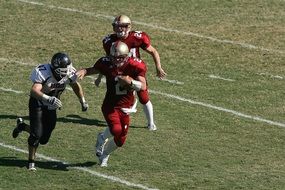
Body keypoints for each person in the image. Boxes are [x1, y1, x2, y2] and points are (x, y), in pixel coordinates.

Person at [12, 52, 89, 171]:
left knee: (43, 139)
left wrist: (82, 101)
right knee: (36, 135)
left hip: (52, 106)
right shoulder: (43, 71)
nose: (67, 72)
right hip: (38, 103)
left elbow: (75, 85)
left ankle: (22, 126)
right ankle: (31, 162)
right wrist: (48, 98)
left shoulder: (69, 72)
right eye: (63, 70)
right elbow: (34, 91)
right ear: (55, 69)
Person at [76, 41, 147, 167]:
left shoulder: (135, 65)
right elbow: (93, 69)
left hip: (127, 106)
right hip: (111, 105)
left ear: (127, 56)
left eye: (120, 57)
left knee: (120, 141)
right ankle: (102, 138)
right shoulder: (106, 63)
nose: (117, 60)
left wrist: (130, 82)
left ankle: (105, 154)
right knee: (116, 129)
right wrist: (84, 71)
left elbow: (143, 86)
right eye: (114, 57)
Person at [95, 15, 166, 131]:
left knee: (143, 96)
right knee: (118, 96)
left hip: (135, 69)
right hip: (119, 70)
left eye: (122, 26)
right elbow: (108, 60)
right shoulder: (109, 41)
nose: (119, 29)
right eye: (117, 27)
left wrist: (158, 66)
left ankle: (151, 123)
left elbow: (153, 51)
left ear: (129, 27)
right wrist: (100, 76)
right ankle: (118, 120)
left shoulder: (137, 37)